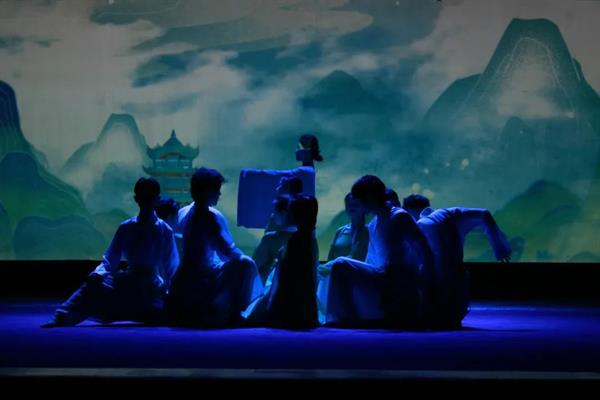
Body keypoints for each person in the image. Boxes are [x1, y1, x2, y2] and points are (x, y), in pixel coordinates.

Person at [42, 178, 179, 327]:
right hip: (129, 283)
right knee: (92, 287)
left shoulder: (164, 230)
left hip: (152, 288)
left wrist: (172, 290)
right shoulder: (126, 227)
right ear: (137, 199)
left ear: (156, 199)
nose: (146, 200)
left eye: (149, 197)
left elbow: (171, 265)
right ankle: (62, 316)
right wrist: (98, 274)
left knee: (167, 312)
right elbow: (111, 259)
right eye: (143, 196)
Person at [318, 176, 433, 328]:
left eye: (361, 199)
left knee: (340, 264)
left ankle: (348, 318)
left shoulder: (399, 217)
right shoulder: (374, 223)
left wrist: (424, 277)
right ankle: (342, 316)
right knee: (338, 266)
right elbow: (370, 258)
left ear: (370, 197)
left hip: (397, 276)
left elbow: (423, 247)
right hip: (381, 274)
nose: (359, 204)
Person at [167, 167, 263, 327]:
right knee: (245, 263)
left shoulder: (184, 212)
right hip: (201, 278)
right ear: (207, 191)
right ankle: (235, 312)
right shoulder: (210, 217)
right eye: (217, 189)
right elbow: (228, 252)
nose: (219, 194)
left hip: (183, 278)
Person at [402, 194, 511, 328]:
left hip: (437, 277)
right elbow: (484, 214)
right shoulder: (450, 213)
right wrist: (500, 247)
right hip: (455, 274)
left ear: (410, 209)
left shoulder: (420, 225)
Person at [243, 195, 319, 329]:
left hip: (286, 305)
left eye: (290, 210)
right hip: (304, 307)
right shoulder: (309, 239)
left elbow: (282, 280)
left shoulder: (294, 241)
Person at [253, 195, 297, 282]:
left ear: (283, 213)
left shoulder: (270, 239)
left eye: (275, 211)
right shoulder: (307, 239)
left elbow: (255, 265)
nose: (273, 215)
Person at [327, 193, 369, 262]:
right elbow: (330, 257)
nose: (351, 207)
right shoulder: (340, 231)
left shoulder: (370, 231)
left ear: (364, 207)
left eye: (355, 204)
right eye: (348, 205)